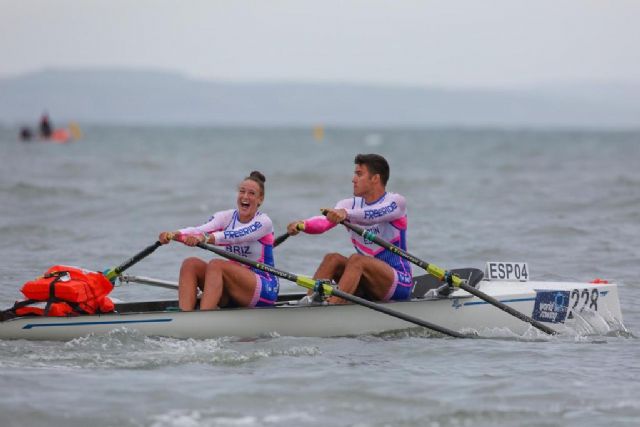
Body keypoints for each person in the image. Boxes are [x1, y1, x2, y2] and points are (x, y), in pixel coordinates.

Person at [286, 154, 412, 304]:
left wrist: (345, 214)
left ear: (375, 179)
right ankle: (308, 303)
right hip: (366, 283)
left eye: (359, 174)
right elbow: (324, 223)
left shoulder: (396, 202)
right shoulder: (348, 204)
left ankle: (333, 307)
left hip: (398, 283)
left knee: (357, 260)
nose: (353, 179)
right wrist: (303, 225)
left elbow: (373, 215)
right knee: (332, 259)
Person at [159, 171, 279, 311]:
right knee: (190, 264)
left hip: (264, 288)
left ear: (260, 200)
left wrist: (205, 238)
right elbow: (200, 229)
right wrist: (174, 234)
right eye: (242, 191)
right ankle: (186, 317)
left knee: (216, 265)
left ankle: (205, 318)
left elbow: (237, 235)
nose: (245, 196)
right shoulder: (225, 216)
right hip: (233, 285)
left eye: (252, 193)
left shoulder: (264, 222)